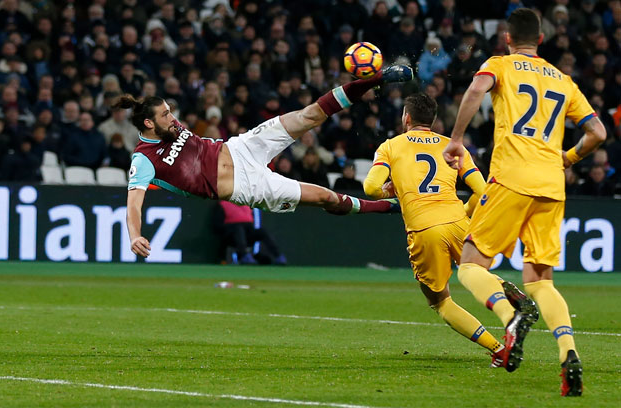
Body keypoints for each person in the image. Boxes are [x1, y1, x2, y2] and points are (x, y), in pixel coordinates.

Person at [442, 8, 607, 396]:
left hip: (512, 176)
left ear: (507, 38)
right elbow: (598, 132)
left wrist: (456, 139)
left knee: (470, 263)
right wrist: (567, 159)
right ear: (542, 40)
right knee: (540, 280)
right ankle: (568, 352)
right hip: (552, 184)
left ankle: (509, 315)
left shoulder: (500, 64)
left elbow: (475, 90)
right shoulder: (565, 80)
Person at [124, 65, 414, 258]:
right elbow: (134, 205)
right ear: (148, 123)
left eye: (170, 111)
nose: (173, 118)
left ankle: (378, 78)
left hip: (241, 148)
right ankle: (390, 207)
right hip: (246, 186)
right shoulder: (144, 159)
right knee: (325, 196)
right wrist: (135, 235)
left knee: (309, 115)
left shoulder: (170, 127)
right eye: (165, 115)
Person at [364, 93, 533, 368]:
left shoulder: (390, 147)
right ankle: (510, 298)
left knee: (441, 302)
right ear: (433, 120)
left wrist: (388, 188)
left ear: (406, 118)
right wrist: (464, 211)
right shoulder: (453, 146)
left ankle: (498, 349)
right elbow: (483, 190)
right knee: (475, 273)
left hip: (423, 228)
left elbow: (370, 189)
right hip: (457, 222)